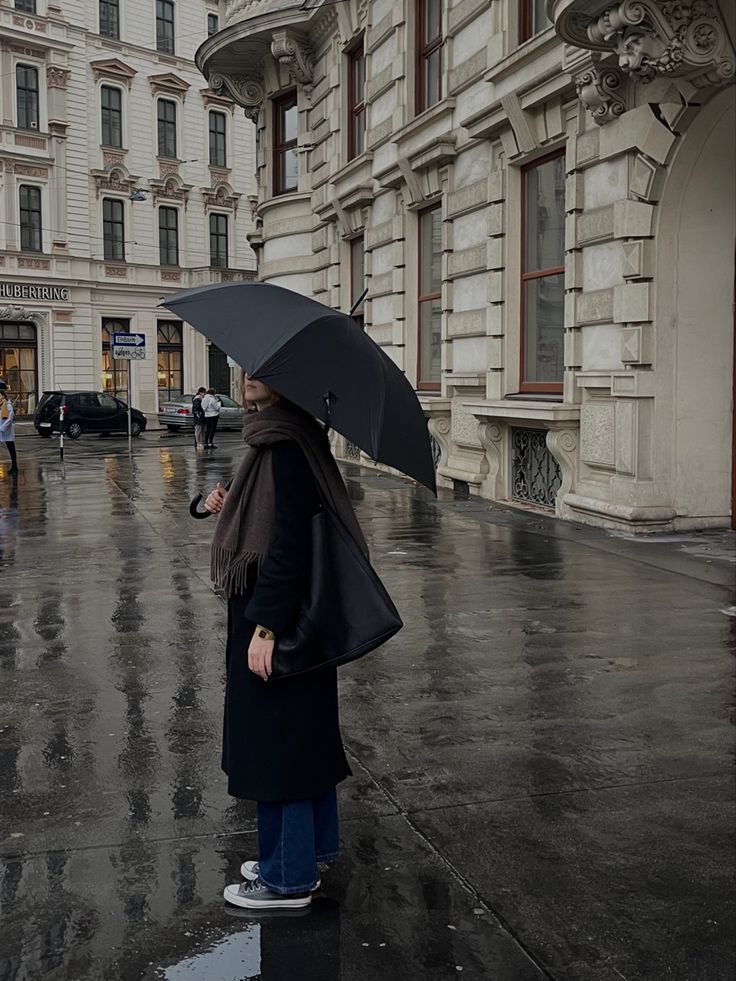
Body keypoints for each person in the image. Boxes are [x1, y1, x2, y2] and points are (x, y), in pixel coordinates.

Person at [203, 374, 367, 910]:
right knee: (302, 734)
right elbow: (270, 524)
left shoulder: (283, 448)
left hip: (279, 620)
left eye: (263, 372)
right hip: (294, 619)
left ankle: (286, 876)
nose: (249, 377)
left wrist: (266, 628)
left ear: (290, 384)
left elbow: (289, 547)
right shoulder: (281, 439)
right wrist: (225, 503)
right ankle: (307, 846)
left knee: (279, 746)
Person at [0, 381, 18, 476]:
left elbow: (10, 418)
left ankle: (15, 467)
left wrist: (2, 428)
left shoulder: (7, 404)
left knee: (11, 449)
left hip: (5, 431)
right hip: (1, 429)